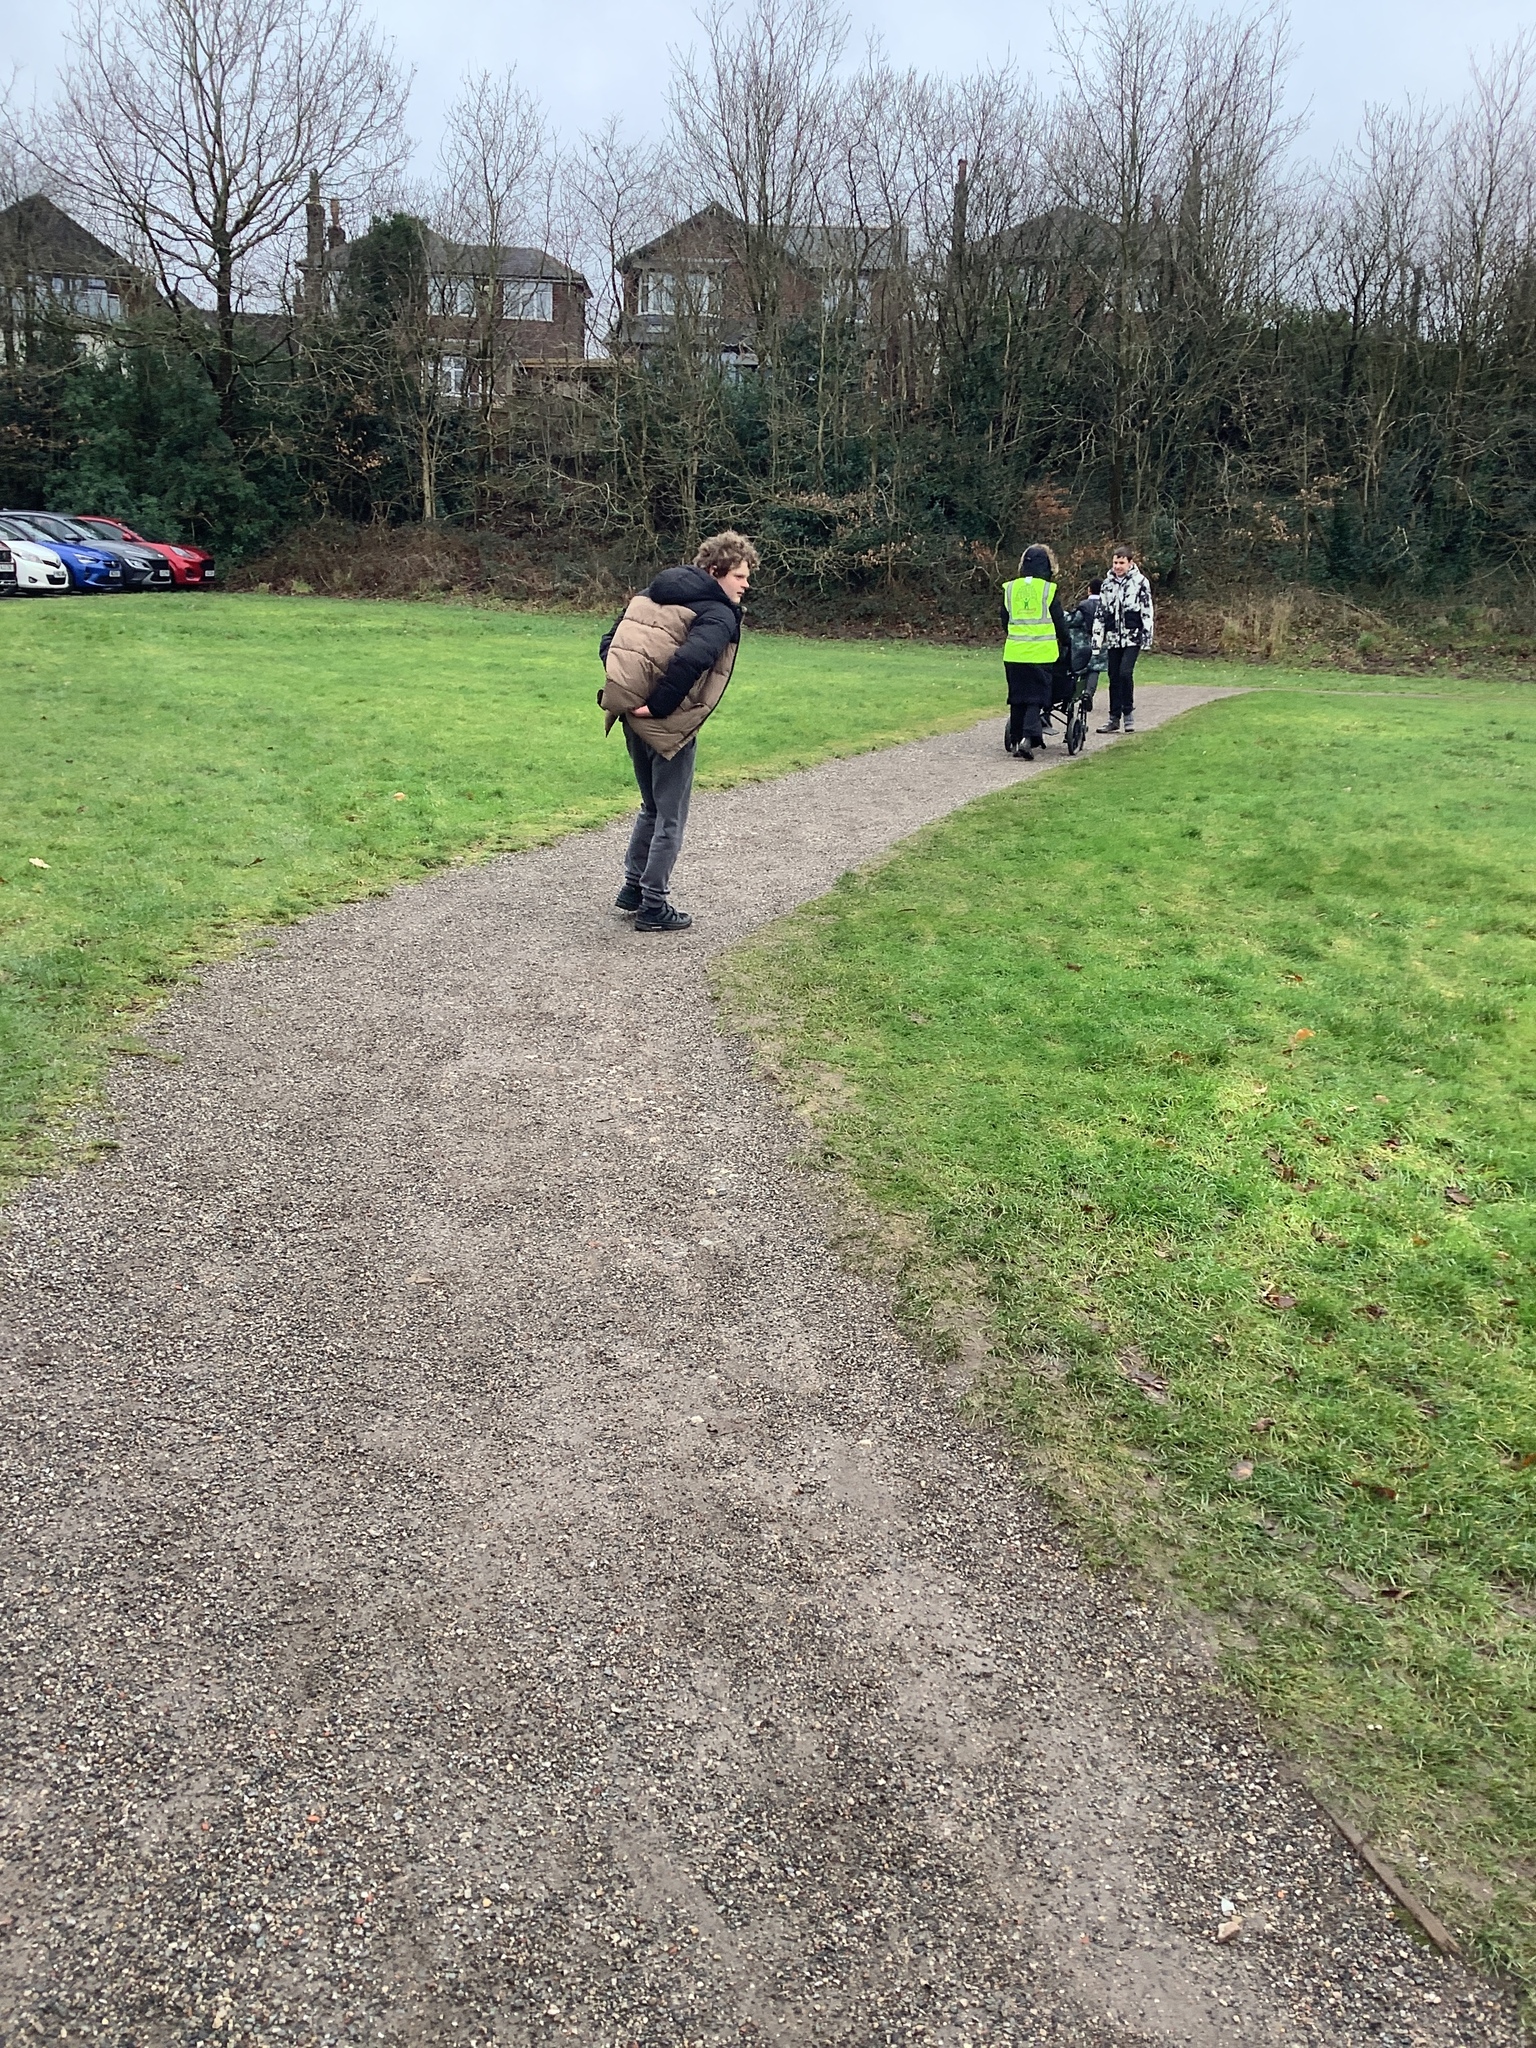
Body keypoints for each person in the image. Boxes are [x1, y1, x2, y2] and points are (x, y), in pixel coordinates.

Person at [598, 530, 757, 933]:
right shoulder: (718, 613)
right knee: (670, 816)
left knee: (651, 807)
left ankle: (633, 889)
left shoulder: (651, 593)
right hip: (666, 723)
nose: (745, 585)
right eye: (739, 576)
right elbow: (692, 659)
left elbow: (609, 643)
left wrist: (630, 692)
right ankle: (653, 906)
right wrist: (659, 705)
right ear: (715, 570)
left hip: (630, 716)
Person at [1000, 543, 1069, 760]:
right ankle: (1028, 738)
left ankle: (1014, 738)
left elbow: (1005, 619)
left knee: (1017, 697)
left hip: (1014, 652)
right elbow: (1059, 621)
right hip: (1041, 653)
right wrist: (1066, 641)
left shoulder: (1011, 589)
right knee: (1035, 698)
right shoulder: (1047, 590)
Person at [1092, 544, 1154, 734]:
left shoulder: (1140, 582)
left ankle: (1128, 714)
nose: (1118, 566)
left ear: (1130, 563)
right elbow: (1100, 613)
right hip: (1113, 638)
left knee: (1125, 673)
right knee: (1114, 676)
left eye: (1121, 563)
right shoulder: (1107, 584)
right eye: (1115, 563)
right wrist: (1097, 641)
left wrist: (1147, 637)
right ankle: (1113, 718)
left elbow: (1147, 610)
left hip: (1132, 637)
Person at [1065, 578, 1106, 706]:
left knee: (1078, 669)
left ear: (1089, 590)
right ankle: (1088, 692)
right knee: (1094, 669)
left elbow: (1072, 621)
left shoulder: (1084, 606)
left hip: (1081, 644)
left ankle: (1073, 694)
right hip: (1099, 643)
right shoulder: (1107, 606)